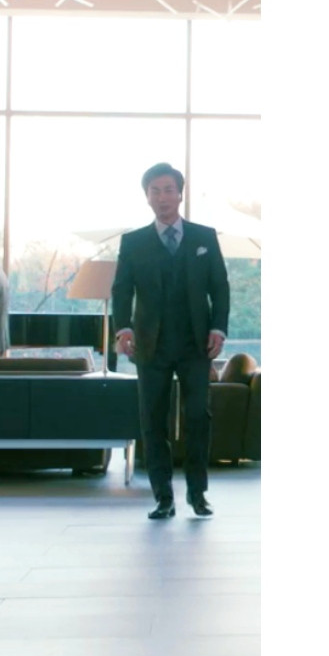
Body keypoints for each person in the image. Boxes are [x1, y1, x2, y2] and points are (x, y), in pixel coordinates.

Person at [111, 162, 229, 521]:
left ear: (180, 194)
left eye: (168, 190)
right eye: (155, 191)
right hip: (151, 345)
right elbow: (121, 290)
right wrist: (123, 328)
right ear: (146, 197)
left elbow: (220, 287)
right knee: (153, 420)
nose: (162, 197)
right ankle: (163, 497)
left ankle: (197, 493)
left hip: (196, 344)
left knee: (198, 417)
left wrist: (218, 328)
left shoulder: (204, 237)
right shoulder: (133, 242)